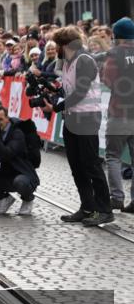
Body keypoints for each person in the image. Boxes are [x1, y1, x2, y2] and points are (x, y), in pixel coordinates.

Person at [40, 26, 113, 226]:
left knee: (91, 164)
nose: (56, 50)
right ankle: (87, 206)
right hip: (71, 117)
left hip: (87, 117)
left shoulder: (85, 60)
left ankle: (105, 209)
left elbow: (80, 91)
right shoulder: (67, 62)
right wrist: (54, 96)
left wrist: (57, 106)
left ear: (65, 45)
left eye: (58, 46)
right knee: (76, 165)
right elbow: (68, 89)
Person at [101, 17, 134, 212]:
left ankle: (117, 198)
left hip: (119, 112)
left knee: (113, 156)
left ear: (117, 36)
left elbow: (108, 79)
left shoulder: (114, 54)